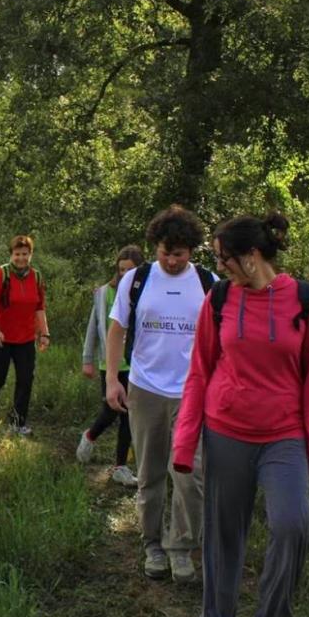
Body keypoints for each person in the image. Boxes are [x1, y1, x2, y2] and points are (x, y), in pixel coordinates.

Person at [174, 214, 309, 617]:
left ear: (251, 256)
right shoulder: (220, 299)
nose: (219, 266)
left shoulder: (306, 301)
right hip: (226, 431)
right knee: (223, 535)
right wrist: (185, 441)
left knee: (294, 524)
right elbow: (199, 371)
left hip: (284, 434)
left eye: (223, 258)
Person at [105, 205, 216, 582]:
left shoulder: (208, 283)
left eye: (179, 254)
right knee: (150, 473)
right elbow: (117, 330)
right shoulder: (137, 280)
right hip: (145, 389)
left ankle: (181, 547)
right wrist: (112, 380)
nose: (171, 260)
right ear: (156, 246)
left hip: (192, 393)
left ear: (192, 251)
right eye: (165, 252)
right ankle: (152, 544)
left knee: (190, 475)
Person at [0, 235, 51, 435]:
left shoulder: (36, 277)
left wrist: (44, 333)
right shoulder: (1, 274)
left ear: (31, 255)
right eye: (17, 254)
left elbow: (39, 307)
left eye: (25, 254)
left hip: (25, 338)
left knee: (25, 379)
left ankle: (17, 423)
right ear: (11, 255)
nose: (21, 258)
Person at [78, 245, 145, 484]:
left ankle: (120, 466)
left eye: (130, 270)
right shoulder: (104, 293)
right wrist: (87, 359)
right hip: (111, 364)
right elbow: (93, 328)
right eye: (121, 269)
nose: (125, 274)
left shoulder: (146, 292)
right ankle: (90, 435)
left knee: (129, 414)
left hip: (137, 365)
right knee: (110, 410)